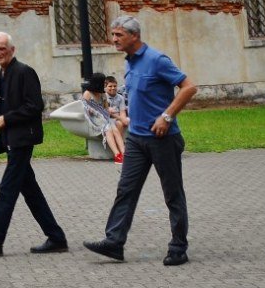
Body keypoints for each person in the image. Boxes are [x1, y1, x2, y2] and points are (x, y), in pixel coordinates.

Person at [85, 15, 198, 266]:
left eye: (119, 35)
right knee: (126, 190)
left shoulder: (157, 60)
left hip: (162, 139)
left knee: (172, 194)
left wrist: (167, 116)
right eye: (113, 34)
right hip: (136, 139)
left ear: (134, 36)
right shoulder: (129, 62)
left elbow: (189, 87)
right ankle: (114, 242)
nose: (114, 39)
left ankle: (178, 247)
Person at [0, 32, 68, 257]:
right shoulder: (2, 74)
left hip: (23, 139)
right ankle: (56, 237)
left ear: (12, 50)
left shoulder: (24, 72)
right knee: (30, 190)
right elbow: (0, 100)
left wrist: (7, 118)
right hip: (11, 138)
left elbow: (35, 106)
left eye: (2, 48)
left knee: (7, 190)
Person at [82, 72, 126, 164]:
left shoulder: (102, 94)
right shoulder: (87, 93)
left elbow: (105, 109)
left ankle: (124, 153)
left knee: (115, 130)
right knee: (108, 130)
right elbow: (85, 109)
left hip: (103, 118)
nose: (104, 84)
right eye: (103, 82)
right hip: (93, 120)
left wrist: (109, 112)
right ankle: (117, 155)